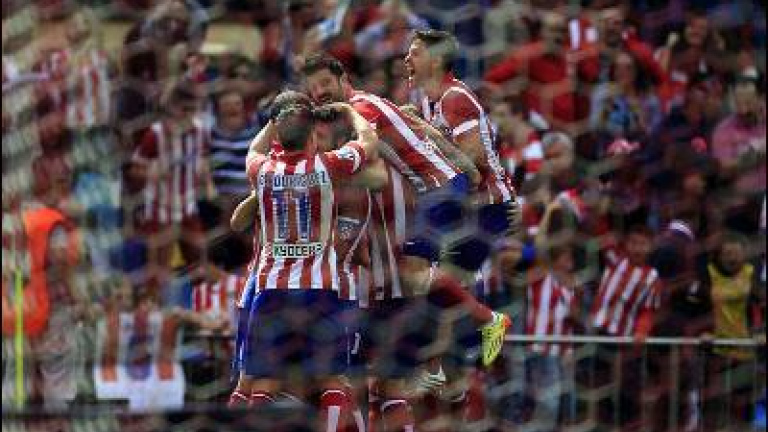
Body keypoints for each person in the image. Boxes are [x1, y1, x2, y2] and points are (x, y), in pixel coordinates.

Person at [301, 53, 511, 363]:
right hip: (442, 187)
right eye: (313, 88)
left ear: (344, 79)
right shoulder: (368, 104)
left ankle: (486, 321)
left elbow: (365, 158)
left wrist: (315, 170)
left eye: (325, 83)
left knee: (412, 276)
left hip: (438, 189)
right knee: (415, 278)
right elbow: (413, 124)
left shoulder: (360, 109)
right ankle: (455, 346)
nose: (320, 92)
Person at [239, 90, 382, 431]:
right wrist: (349, 111)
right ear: (311, 135)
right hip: (319, 290)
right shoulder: (327, 166)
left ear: (278, 133)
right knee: (332, 380)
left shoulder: (262, 170)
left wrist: (276, 119)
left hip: (271, 291)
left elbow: (253, 149)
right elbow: (369, 141)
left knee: (262, 382)